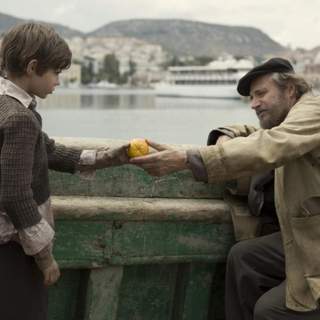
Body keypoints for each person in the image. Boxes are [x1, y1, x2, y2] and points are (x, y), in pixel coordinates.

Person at [130, 57, 320, 319]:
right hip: (309, 239)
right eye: (251, 98)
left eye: (261, 94)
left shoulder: (315, 110)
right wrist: (227, 133)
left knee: (270, 310)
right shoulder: (292, 118)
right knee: (245, 257)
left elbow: (271, 143)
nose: (253, 103)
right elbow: (257, 134)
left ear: (289, 90)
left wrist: (188, 159)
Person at [0, 22, 129, 320]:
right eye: (56, 72)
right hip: (11, 249)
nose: (58, 81)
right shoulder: (20, 118)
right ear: (33, 67)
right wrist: (44, 257)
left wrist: (108, 158)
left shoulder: (9, 106)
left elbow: (47, 150)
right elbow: (15, 195)